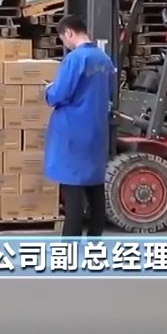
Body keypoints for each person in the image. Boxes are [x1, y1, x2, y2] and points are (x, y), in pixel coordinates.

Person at [43, 14, 116, 237]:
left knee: (73, 194)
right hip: (96, 132)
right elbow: (109, 93)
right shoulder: (104, 60)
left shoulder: (75, 59)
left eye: (63, 38)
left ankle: (69, 250)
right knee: (95, 189)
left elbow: (59, 94)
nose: (65, 43)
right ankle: (94, 243)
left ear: (69, 33)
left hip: (73, 133)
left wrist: (48, 90)